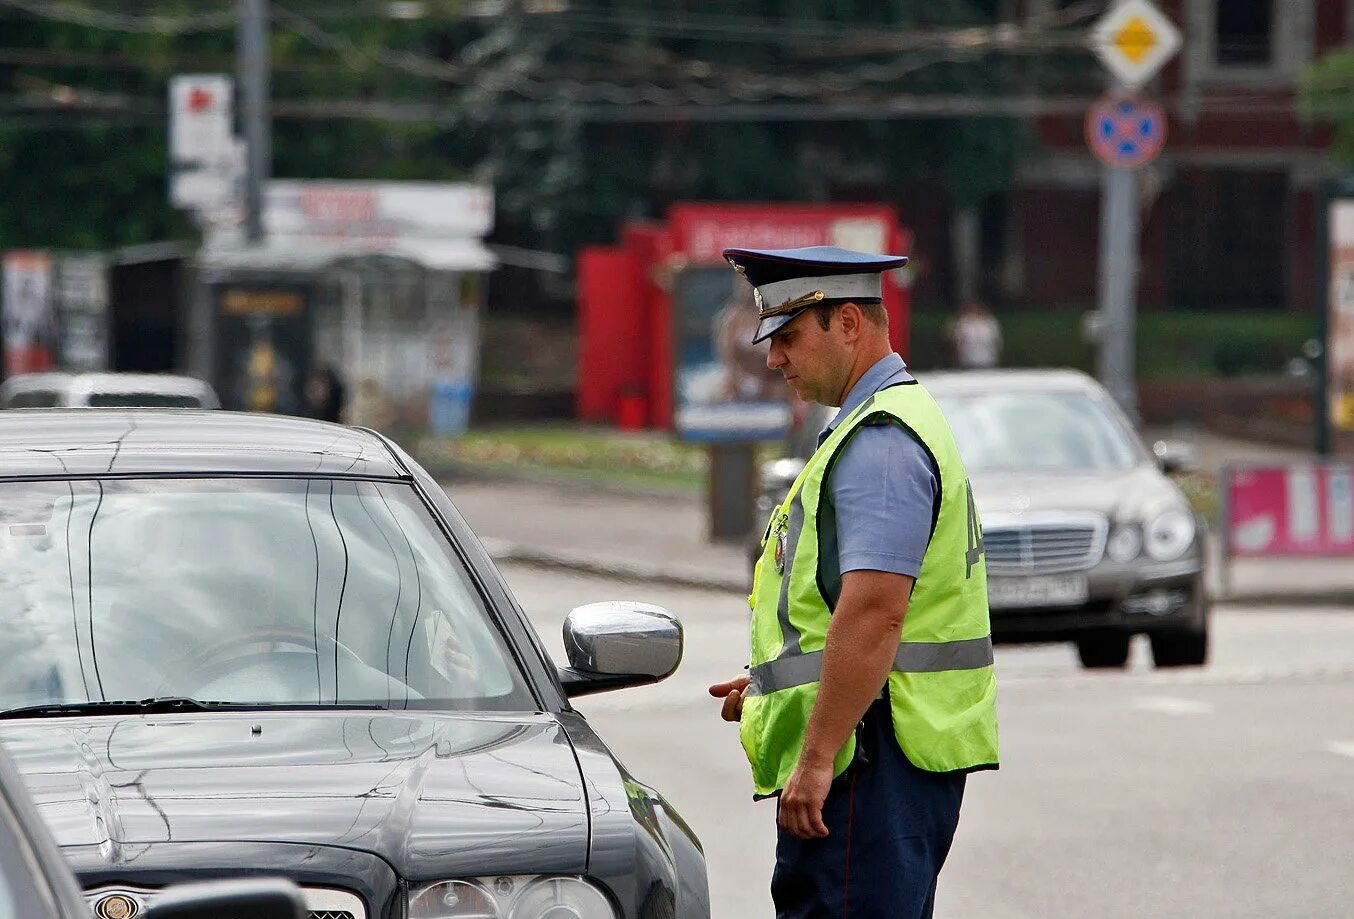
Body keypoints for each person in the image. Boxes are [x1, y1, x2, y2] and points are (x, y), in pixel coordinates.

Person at [708, 245, 999, 919]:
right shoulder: (878, 428)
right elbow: (840, 606)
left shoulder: (881, 443)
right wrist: (770, 680)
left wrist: (816, 759)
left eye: (787, 336)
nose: (774, 358)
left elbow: (873, 614)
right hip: (877, 752)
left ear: (847, 323)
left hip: (867, 760)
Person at [945, 298, 1002, 370]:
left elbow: (997, 342)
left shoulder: (990, 322)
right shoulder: (962, 323)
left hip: (988, 360)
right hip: (967, 361)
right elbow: (952, 340)